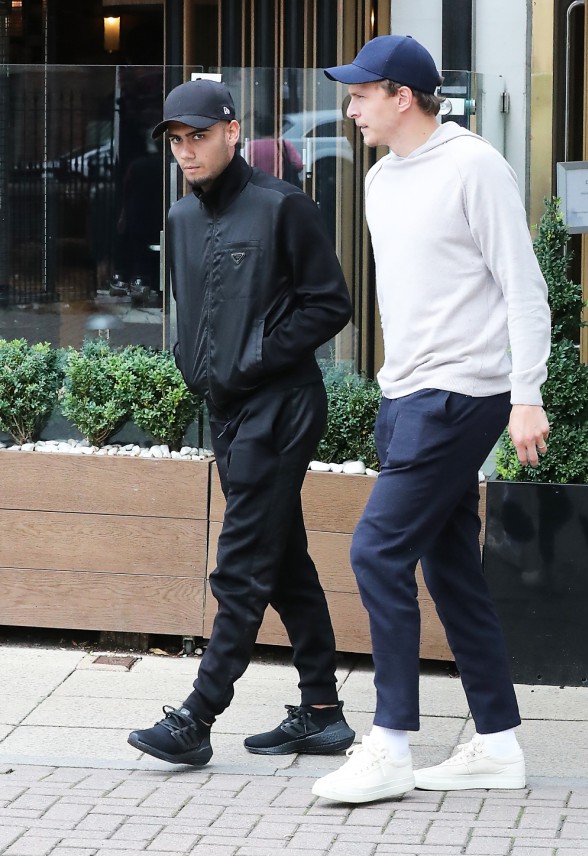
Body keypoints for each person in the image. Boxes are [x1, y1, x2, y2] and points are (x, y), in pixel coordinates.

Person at [313, 35, 551, 804]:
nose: (349, 108)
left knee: (376, 554)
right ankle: (497, 744)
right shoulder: (382, 180)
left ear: (402, 96)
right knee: (450, 569)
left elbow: (523, 286)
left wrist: (527, 393)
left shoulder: (474, 165)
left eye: (360, 94)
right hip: (405, 395)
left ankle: (389, 745)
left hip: (461, 395)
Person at [127, 79, 354, 766]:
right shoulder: (180, 219)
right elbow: (188, 311)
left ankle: (198, 715)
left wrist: (254, 354)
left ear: (232, 132)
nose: (187, 150)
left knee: (242, 563)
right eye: (177, 139)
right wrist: (192, 365)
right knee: (281, 560)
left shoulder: (284, 208)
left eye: (198, 136)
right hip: (225, 408)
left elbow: (330, 304)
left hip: (281, 406)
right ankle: (323, 712)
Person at [243, 110, 303, 185]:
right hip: (280, 188)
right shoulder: (284, 144)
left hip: (258, 187)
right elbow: (299, 165)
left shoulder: (251, 146)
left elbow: (244, 169)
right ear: (275, 128)